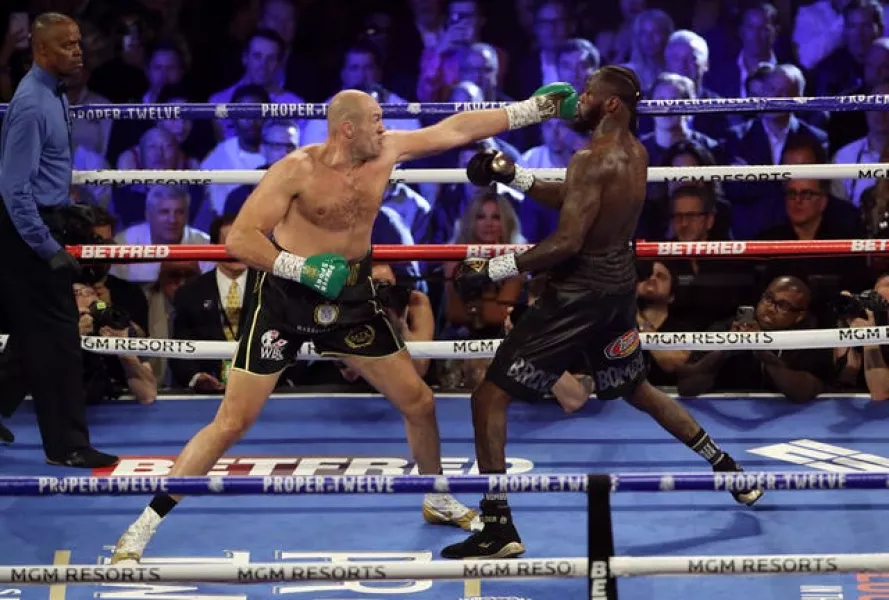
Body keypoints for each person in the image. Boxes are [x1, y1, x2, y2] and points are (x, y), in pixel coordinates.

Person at [110, 83, 578, 562]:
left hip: (351, 299)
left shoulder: (386, 150)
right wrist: (301, 267)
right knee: (232, 422)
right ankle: (144, 525)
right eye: (375, 119)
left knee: (418, 401)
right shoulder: (297, 169)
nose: (385, 126)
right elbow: (243, 238)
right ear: (347, 129)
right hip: (286, 303)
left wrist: (532, 108)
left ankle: (436, 496)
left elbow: (454, 129)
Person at [440, 65, 763, 560]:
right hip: (615, 290)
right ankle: (727, 469)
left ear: (611, 104)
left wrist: (491, 268)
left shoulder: (591, 158)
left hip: (577, 296)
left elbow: (568, 240)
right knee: (637, 388)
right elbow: (578, 201)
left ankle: (499, 526)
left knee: (488, 399)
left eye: (588, 94)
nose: (579, 101)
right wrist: (514, 175)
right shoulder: (634, 153)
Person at [0, 13, 117, 468]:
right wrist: (47, 247)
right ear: (41, 51)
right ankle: (67, 445)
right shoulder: (32, 103)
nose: (78, 51)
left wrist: (67, 209)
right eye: (67, 45)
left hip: (41, 220)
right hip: (25, 229)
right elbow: (13, 189)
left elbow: (41, 175)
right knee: (59, 339)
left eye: (78, 43)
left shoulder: (53, 94)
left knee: (36, 337)